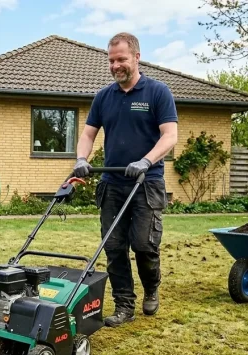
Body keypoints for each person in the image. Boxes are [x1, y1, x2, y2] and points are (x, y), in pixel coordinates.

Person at [73, 32, 178, 327]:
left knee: (144, 245)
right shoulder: (104, 97)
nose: (115, 65)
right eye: (111, 60)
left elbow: (170, 135)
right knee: (114, 246)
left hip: (147, 183)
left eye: (121, 59)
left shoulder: (157, 92)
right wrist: (81, 159)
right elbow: (88, 134)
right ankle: (123, 305)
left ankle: (152, 288)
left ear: (136, 57)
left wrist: (146, 160)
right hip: (113, 184)